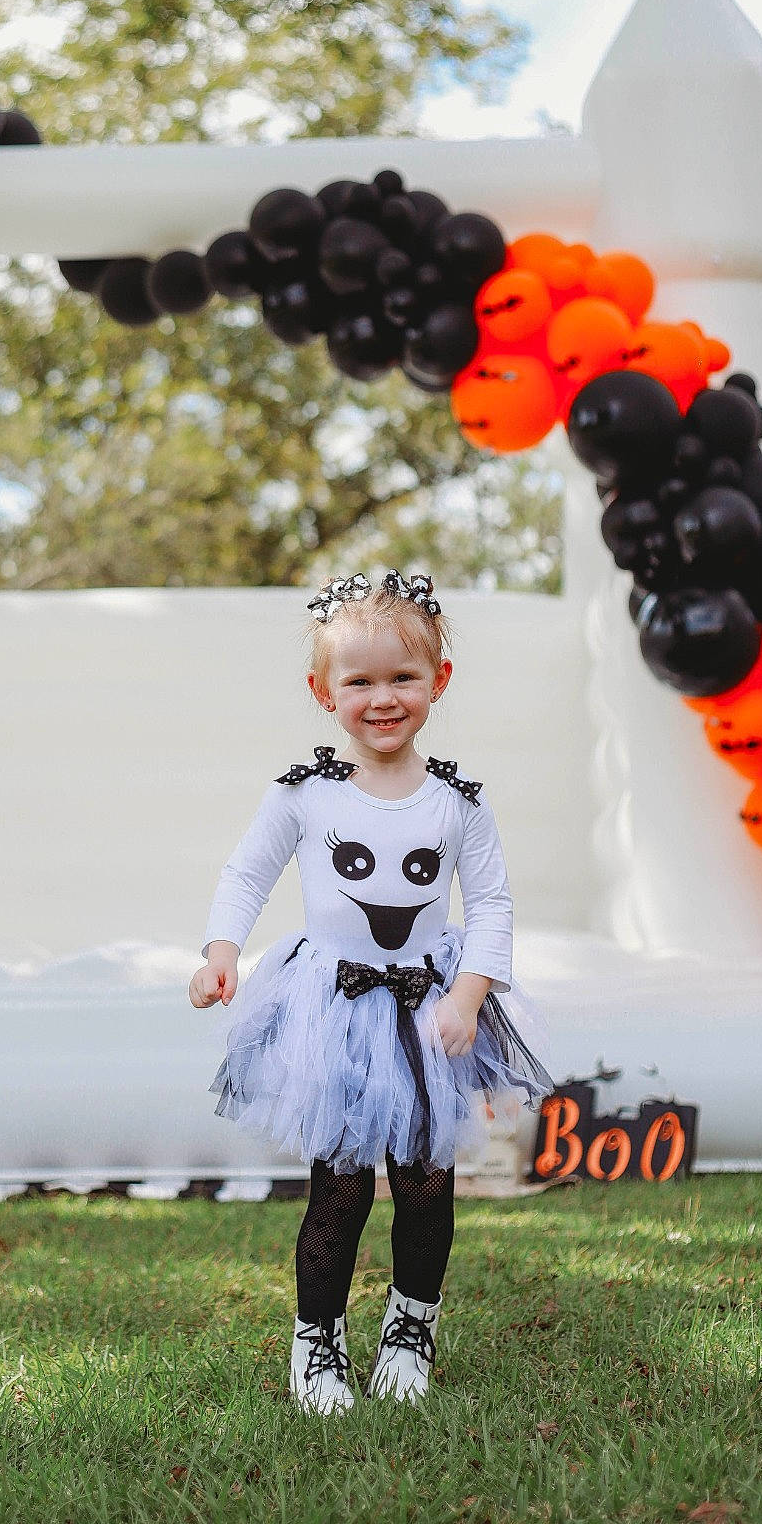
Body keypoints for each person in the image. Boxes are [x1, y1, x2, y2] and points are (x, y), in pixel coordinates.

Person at [188, 568, 550, 1414]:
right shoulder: (305, 794)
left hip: (430, 1008)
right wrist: (220, 952)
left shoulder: (458, 803)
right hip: (333, 1012)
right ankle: (317, 1342)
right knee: (340, 1185)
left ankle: (410, 1326)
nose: (382, 698)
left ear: (438, 682)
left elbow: (491, 902)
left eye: (402, 678)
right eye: (359, 681)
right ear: (323, 692)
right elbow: (246, 872)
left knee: (425, 1181)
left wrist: (465, 997)